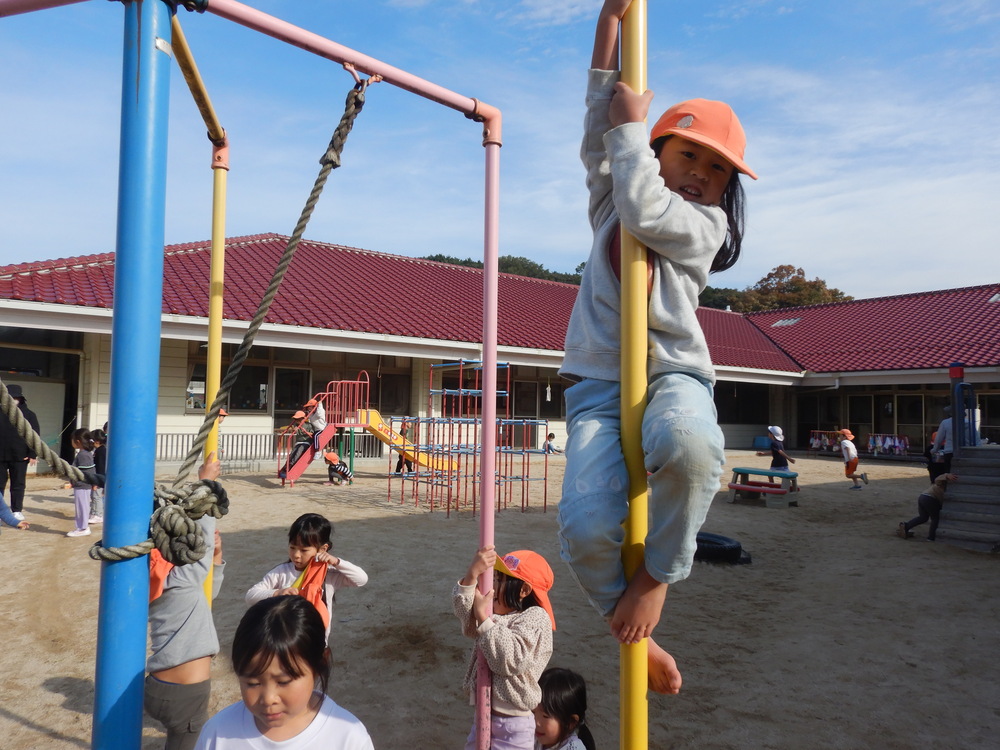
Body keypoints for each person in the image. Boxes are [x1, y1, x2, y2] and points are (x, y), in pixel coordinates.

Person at [557, 0, 756, 695]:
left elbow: (646, 203)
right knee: (583, 524)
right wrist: (609, 24)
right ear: (656, 150)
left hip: (672, 374)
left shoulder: (698, 226)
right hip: (598, 386)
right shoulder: (611, 194)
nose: (702, 174)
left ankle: (658, 575)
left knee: (696, 451)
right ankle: (629, 625)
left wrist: (632, 131)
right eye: (689, 154)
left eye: (718, 170)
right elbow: (600, 128)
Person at [193, 595, 374, 749]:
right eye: (253, 683)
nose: (269, 699)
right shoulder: (218, 734)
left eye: (283, 681)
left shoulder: (348, 738)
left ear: (320, 664)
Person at [145, 453, 227, 750]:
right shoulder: (183, 577)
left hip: (157, 686)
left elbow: (205, 598)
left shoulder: (153, 574)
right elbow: (201, 540)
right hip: (186, 693)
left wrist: (217, 557)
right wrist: (207, 481)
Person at [453, 546, 555, 750]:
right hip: (483, 715)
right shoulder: (499, 616)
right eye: (494, 577)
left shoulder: (535, 617)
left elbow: (510, 659)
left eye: (500, 581)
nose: (492, 585)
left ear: (524, 590)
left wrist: (484, 618)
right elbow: (468, 621)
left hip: (513, 727)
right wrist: (471, 576)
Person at [246, 513, 368, 641]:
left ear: (322, 549)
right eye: (292, 547)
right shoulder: (280, 572)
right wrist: (278, 593)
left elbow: (361, 579)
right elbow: (250, 596)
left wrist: (337, 562)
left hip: (316, 643)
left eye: (304, 550)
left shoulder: (329, 575)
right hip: (284, 642)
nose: (296, 555)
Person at [0, 383, 41, 522]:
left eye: (15, 397)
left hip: (20, 455)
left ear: (20, 398)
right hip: (1, 454)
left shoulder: (29, 415)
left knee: (18, 484)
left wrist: (32, 453)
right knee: (0, 483)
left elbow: (35, 435)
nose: (13, 400)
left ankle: (16, 510)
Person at [533, 667, 596, 750]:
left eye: (545, 716)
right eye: (533, 712)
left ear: (571, 722)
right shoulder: (534, 735)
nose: (536, 722)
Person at [897, 473, 957, 542]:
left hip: (923, 496)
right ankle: (931, 538)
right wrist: (946, 475)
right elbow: (937, 480)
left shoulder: (947, 486)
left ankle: (906, 526)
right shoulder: (944, 482)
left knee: (923, 517)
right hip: (930, 498)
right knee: (935, 518)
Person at [66, 428, 96, 537]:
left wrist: (94, 483)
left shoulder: (83, 455)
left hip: (83, 485)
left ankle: (83, 528)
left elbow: (88, 471)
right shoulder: (85, 453)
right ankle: (81, 527)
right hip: (81, 485)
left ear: (78, 441)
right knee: (81, 507)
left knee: (82, 508)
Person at [281, 411, 316, 476]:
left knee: (299, 451)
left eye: (298, 419)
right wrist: (294, 429)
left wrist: (305, 432)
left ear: (303, 419)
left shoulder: (308, 425)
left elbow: (312, 434)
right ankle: (287, 465)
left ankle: (291, 465)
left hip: (306, 442)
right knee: (292, 453)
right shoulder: (296, 425)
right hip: (298, 442)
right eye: (295, 419)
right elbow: (294, 429)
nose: (297, 421)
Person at [89, 427, 107, 525]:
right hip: (98, 478)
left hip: (99, 478)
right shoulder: (99, 450)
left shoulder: (101, 451)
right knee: (94, 496)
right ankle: (93, 513)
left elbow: (100, 468)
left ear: (96, 441)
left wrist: (97, 482)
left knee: (97, 497)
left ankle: (98, 515)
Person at [930, 407, 954, 478]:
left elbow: (939, 439)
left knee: (948, 473)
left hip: (950, 452)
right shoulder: (969, 423)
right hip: (965, 452)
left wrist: (934, 450)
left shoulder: (946, 422)